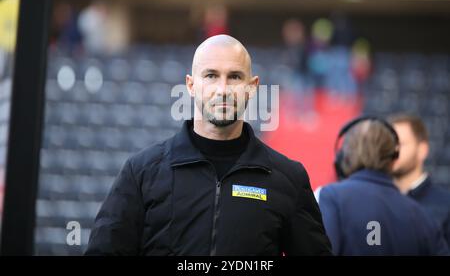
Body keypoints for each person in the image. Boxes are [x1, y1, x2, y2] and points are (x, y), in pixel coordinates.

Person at [86, 34, 332, 256]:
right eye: (211, 76)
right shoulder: (141, 172)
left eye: (234, 77)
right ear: (191, 85)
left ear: (252, 87)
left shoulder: (288, 179)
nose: (223, 89)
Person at [317, 116, 449, 255]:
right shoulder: (421, 215)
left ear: (345, 157)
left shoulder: (330, 197)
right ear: (392, 156)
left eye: (401, 144)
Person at [389, 113, 450, 246]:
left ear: (422, 150)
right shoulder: (377, 201)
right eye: (389, 145)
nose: (394, 151)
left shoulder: (446, 205)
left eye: (401, 144)